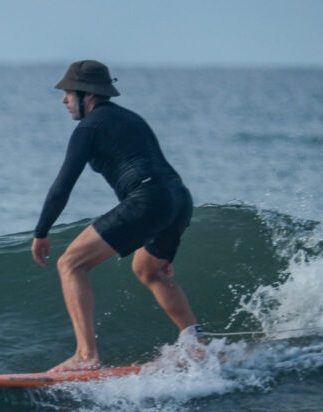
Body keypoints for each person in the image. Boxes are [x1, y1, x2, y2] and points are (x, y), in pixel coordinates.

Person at [31, 60, 202, 372]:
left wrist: (42, 230)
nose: (64, 100)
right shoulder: (131, 119)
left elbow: (62, 185)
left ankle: (86, 356)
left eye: (69, 93)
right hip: (178, 197)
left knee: (70, 264)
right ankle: (196, 344)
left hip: (148, 198)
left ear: (88, 96)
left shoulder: (88, 128)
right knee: (150, 270)